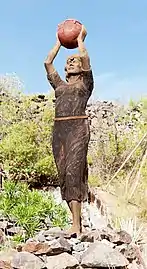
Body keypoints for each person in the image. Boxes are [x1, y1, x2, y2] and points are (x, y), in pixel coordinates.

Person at [44, 25, 94, 236]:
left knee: (74, 172)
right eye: (68, 61)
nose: (71, 61)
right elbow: (47, 62)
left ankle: (76, 226)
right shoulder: (59, 86)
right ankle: (75, 224)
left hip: (77, 128)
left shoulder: (86, 84)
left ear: (82, 68)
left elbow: (85, 58)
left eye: (75, 61)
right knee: (64, 175)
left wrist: (79, 39)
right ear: (65, 70)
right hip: (59, 130)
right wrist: (59, 41)